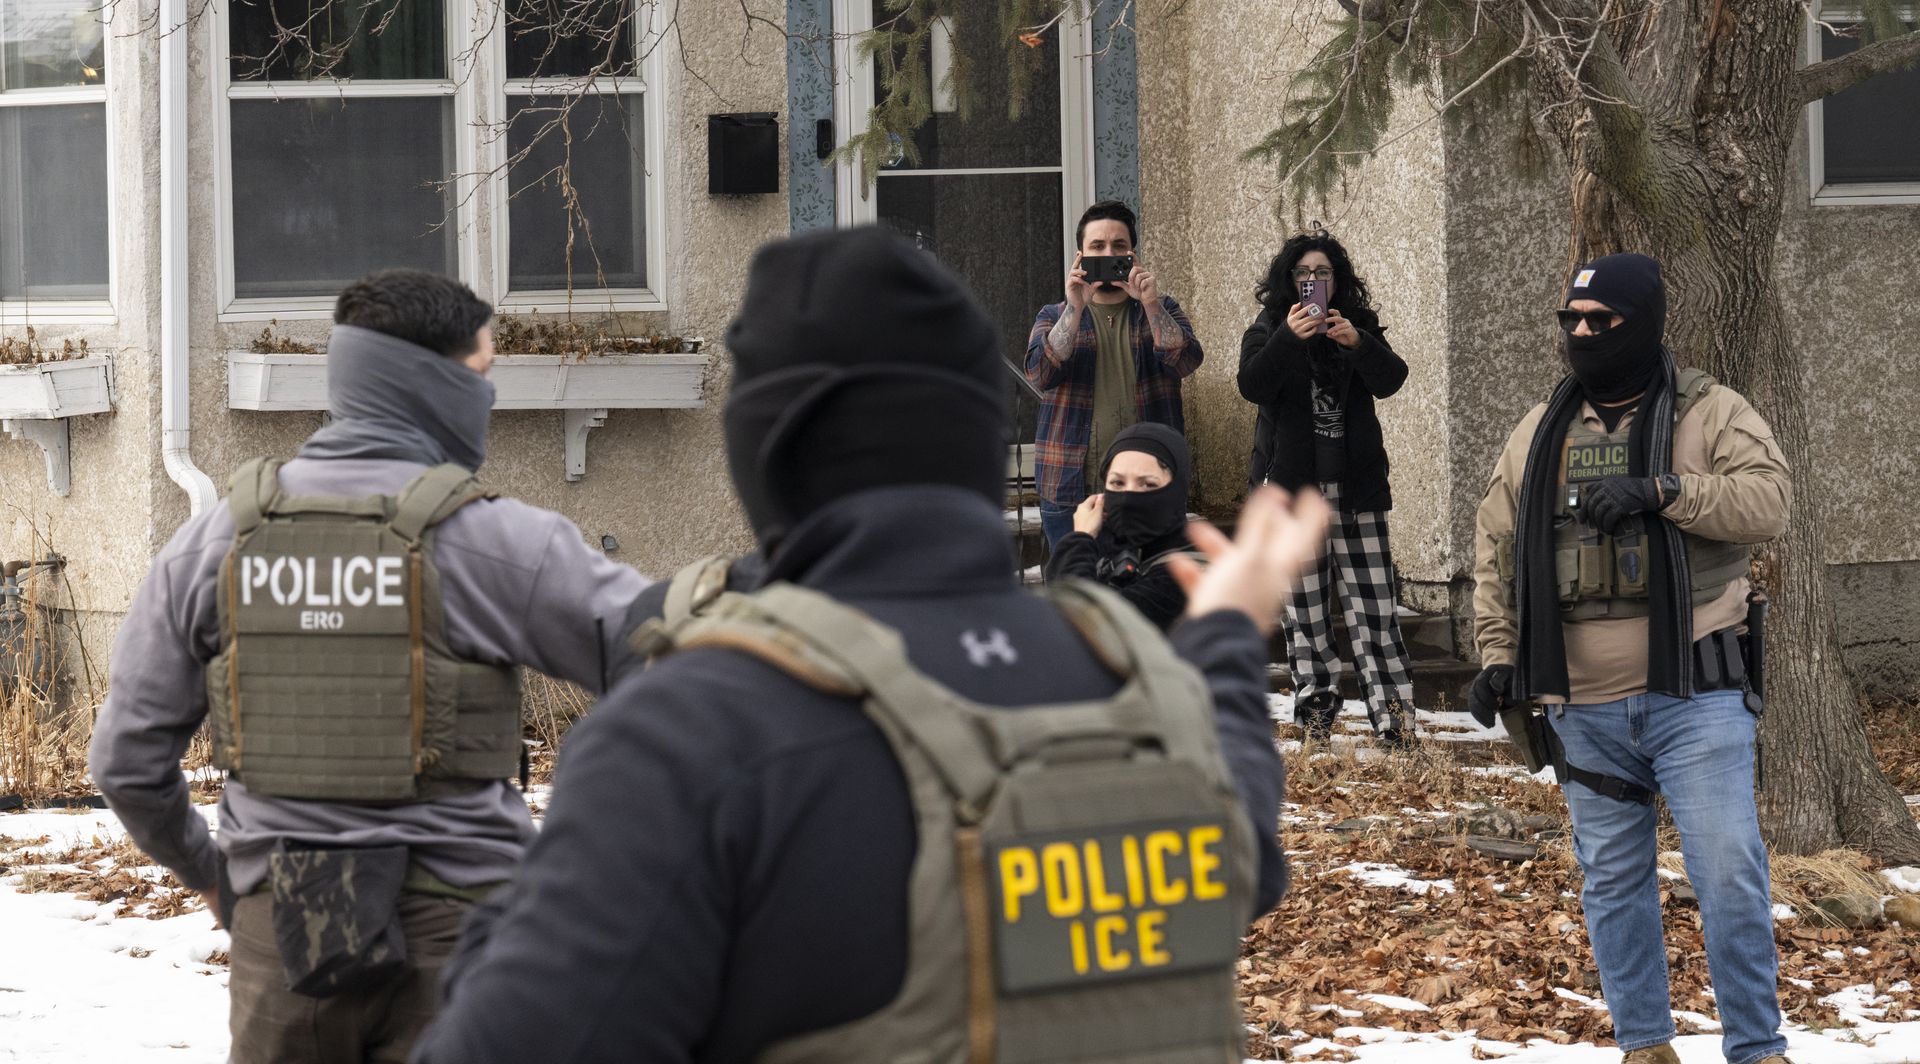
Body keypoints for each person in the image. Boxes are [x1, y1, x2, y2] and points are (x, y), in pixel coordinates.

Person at [412, 227, 1327, 1063]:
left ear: (771, 446)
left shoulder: (700, 733)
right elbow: (1244, 842)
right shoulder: (1136, 678)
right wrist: (1227, 646)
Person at [88, 269, 648, 1064]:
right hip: (468, 945)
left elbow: (125, 763)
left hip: (282, 940)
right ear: (432, 385)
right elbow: (670, 660)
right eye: (482, 376)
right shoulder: (502, 544)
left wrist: (214, 875)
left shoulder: (212, 544)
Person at [1468, 253, 1793, 1064]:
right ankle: (1646, 1045)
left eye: (1601, 322)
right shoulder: (1539, 432)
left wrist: (1666, 493)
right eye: (1570, 321)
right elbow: (1497, 547)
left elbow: (1770, 501)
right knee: (1613, 885)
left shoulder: (1709, 411)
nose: (1582, 334)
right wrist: (1499, 655)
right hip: (1583, 706)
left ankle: (1757, 1048)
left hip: (1697, 692)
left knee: (1726, 872)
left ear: (1643, 325)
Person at [1237, 231, 1415, 746]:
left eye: (1323, 274)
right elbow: (1252, 385)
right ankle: (1315, 714)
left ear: (1338, 282)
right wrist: (1288, 339)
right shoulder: (1269, 328)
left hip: (1357, 493)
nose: (1313, 283)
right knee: (1307, 611)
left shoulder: (1356, 327)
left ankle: (1394, 721)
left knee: (1374, 609)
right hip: (1295, 497)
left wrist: (1358, 344)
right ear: (1288, 281)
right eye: (1303, 275)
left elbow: (1393, 378)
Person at [1026, 200, 1203, 554]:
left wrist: (1150, 303)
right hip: (1069, 487)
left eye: (1118, 246)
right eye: (1097, 247)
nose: (1109, 254)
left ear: (1133, 254)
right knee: (1076, 599)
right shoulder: (1054, 313)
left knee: (1149, 597)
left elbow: (1185, 361)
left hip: (1150, 488)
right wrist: (1076, 306)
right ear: (1080, 257)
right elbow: (1040, 373)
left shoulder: (1161, 308)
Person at [1044, 421, 1198, 630]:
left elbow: (1089, 624)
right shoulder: (1107, 544)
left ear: (1176, 490)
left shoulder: (1187, 570)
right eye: (1117, 483)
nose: (1128, 496)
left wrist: (1080, 538)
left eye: (1148, 484)